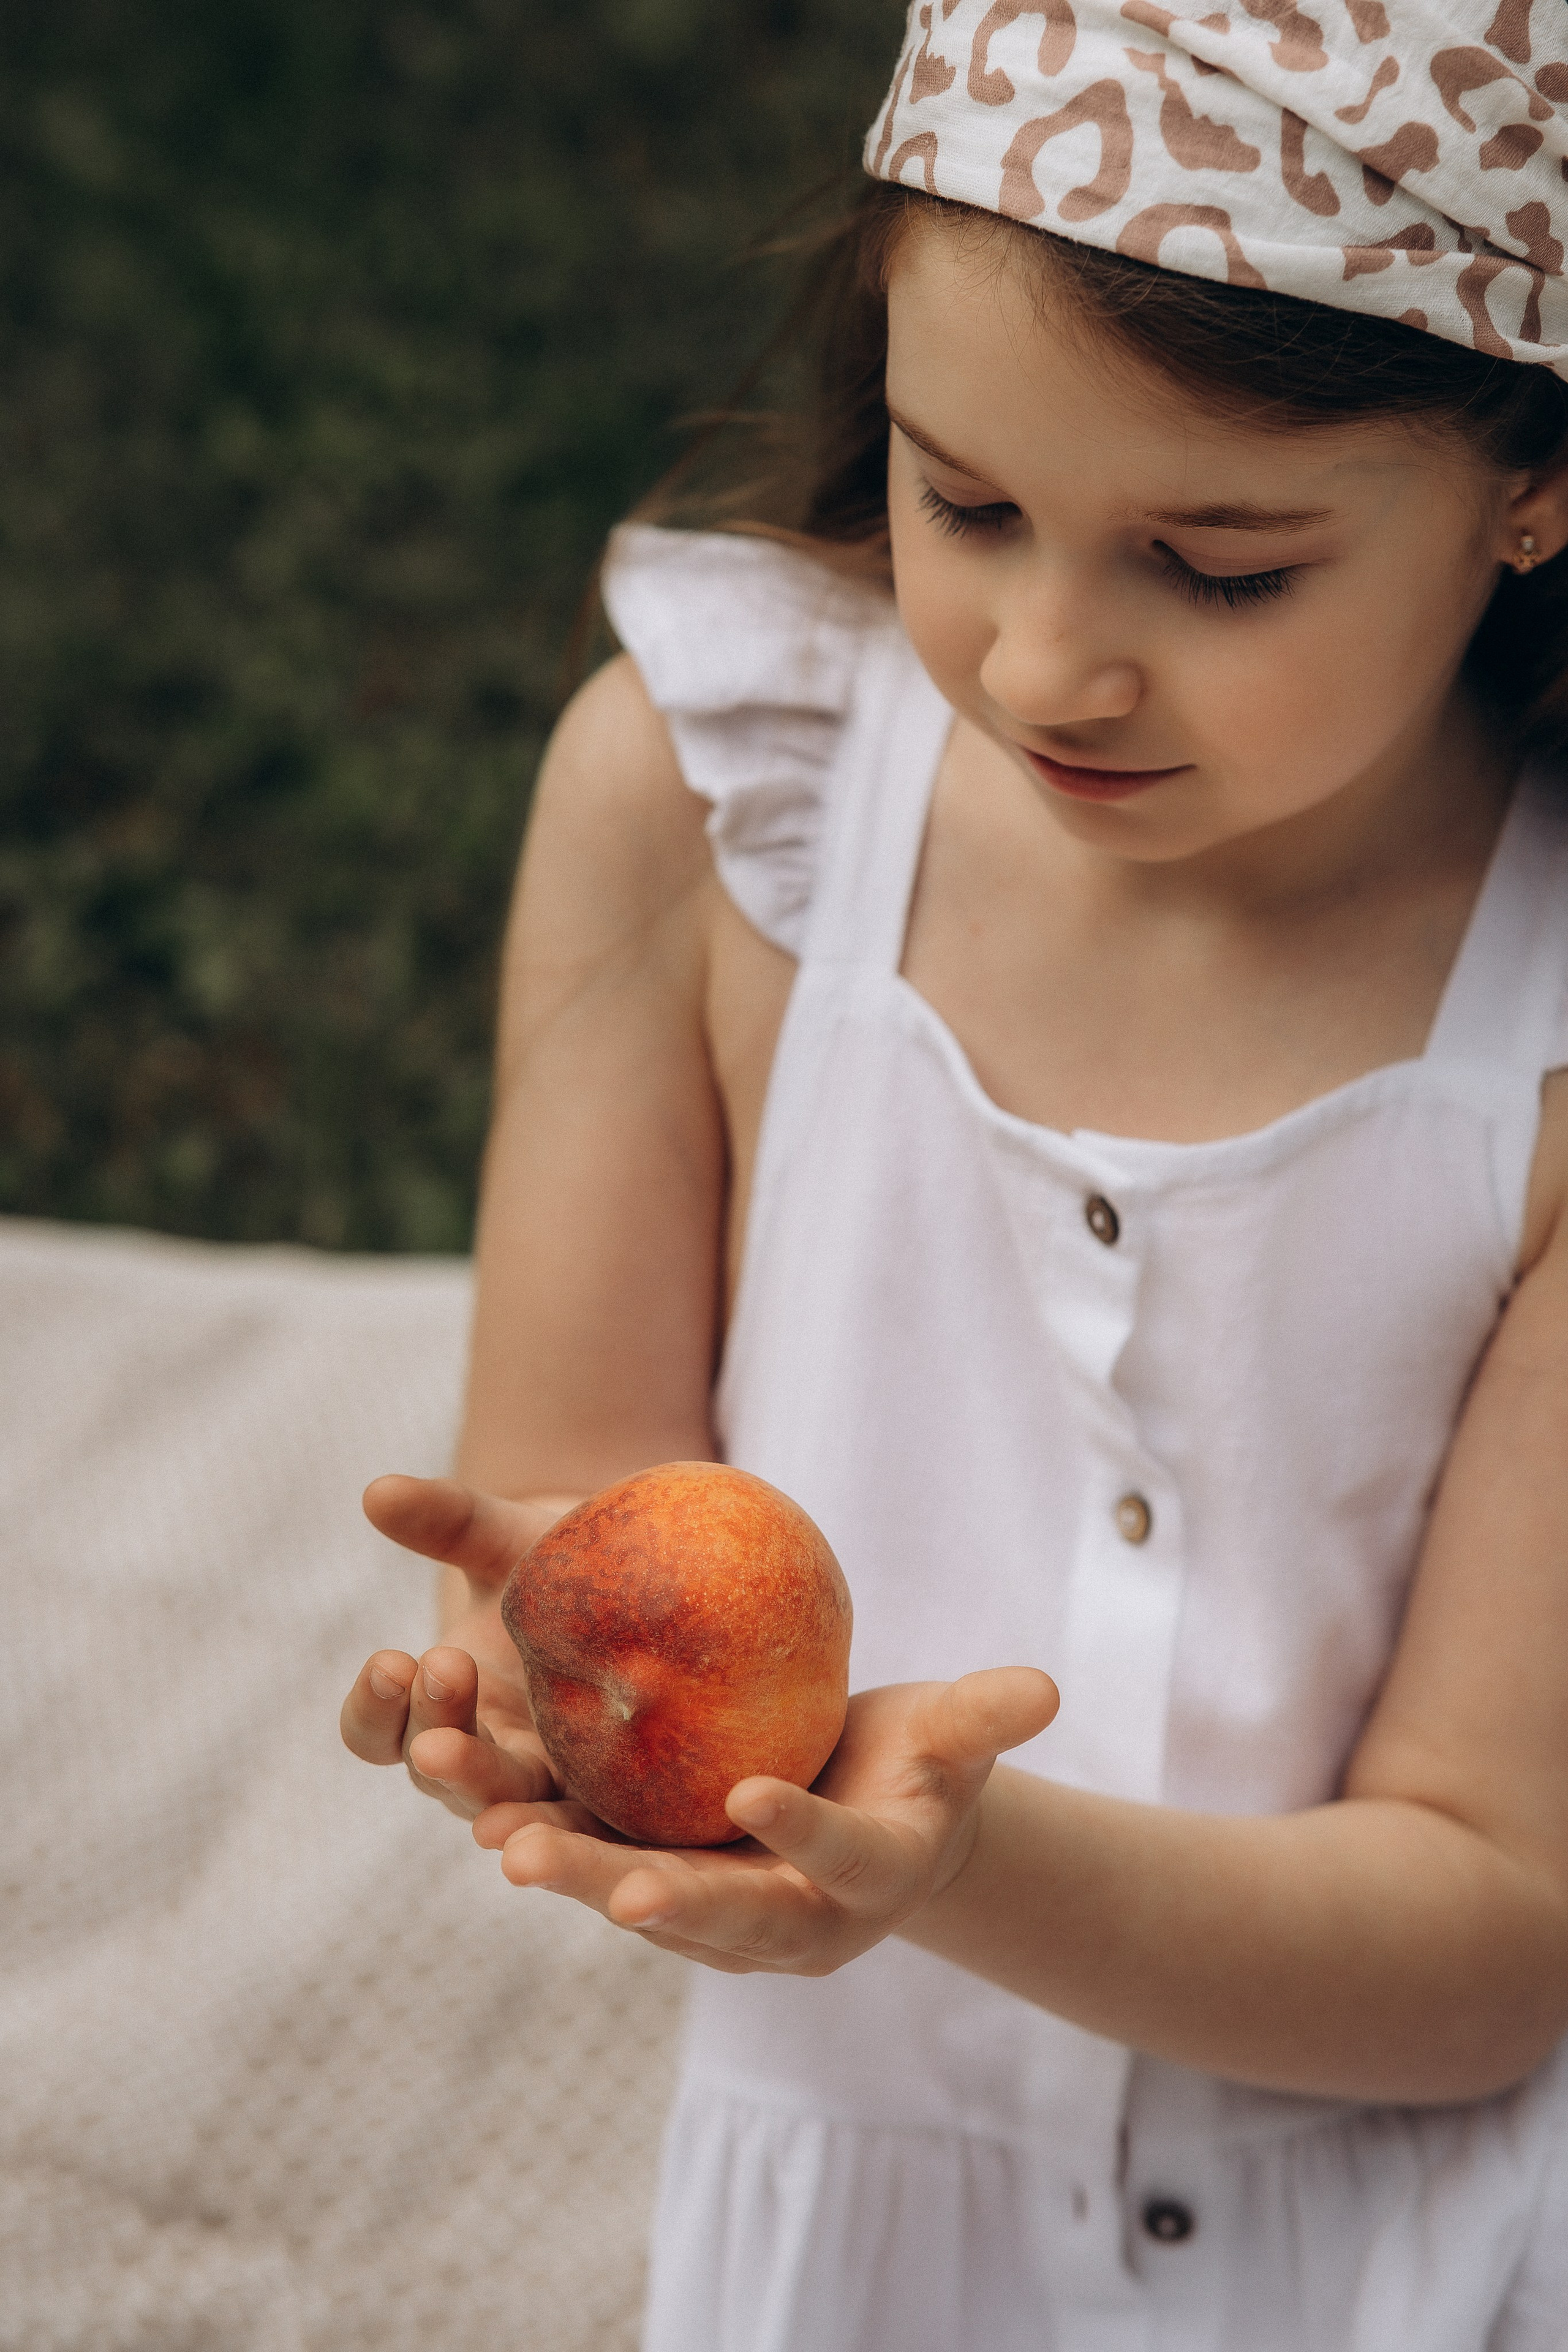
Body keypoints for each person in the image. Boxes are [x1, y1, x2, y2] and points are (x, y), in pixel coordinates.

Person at [339, 4, 1568, 2345]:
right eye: (964, 502)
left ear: (1536, 483)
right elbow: (575, 1490)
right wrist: (532, 1659)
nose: (1046, 662)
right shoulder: (715, 808)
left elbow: (1495, 1933)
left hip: (1413, 2245)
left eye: (1220, 571)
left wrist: (957, 1865)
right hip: (865, 2234)